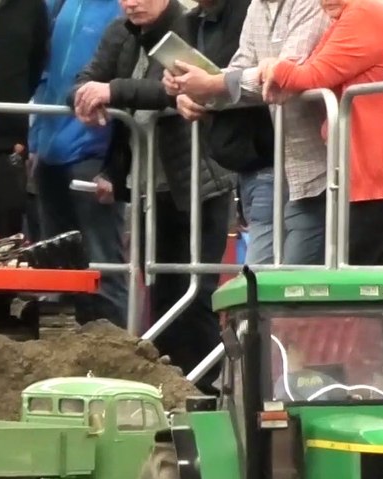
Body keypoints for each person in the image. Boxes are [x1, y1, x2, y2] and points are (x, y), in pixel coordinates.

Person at [72, 0, 234, 390]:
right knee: (160, 295)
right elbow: (84, 83)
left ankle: (209, 390)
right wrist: (87, 99)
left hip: (200, 179)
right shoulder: (119, 32)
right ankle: (169, 390)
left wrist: (111, 91)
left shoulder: (188, 26)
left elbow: (177, 89)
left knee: (196, 296)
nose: (133, 2)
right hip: (147, 185)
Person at [259, 0, 383, 265]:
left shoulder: (361, 16)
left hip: (379, 169)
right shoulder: (353, 16)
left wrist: (272, 67)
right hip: (375, 170)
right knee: (372, 265)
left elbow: (311, 75)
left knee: (361, 269)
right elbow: (311, 67)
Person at [162, 0, 330, 265]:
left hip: (317, 166)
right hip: (281, 164)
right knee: (274, 281)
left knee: (288, 281)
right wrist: (191, 88)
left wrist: (209, 85)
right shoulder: (256, 8)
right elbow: (239, 70)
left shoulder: (311, 4)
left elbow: (283, 77)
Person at [29, 0, 128, 327]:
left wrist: (116, 165)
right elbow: (48, 74)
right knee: (55, 273)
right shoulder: (63, 5)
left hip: (93, 155)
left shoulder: (124, 9)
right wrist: (36, 140)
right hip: (50, 154)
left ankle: (115, 360)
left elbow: (127, 77)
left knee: (103, 269)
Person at [163, 0, 275, 267]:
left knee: (263, 275)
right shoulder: (191, 21)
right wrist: (178, 91)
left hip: (269, 153)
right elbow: (220, 79)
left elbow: (260, 78)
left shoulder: (249, 10)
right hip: (237, 159)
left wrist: (206, 90)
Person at [0, 0, 48, 238]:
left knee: (2, 238)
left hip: (5, 142)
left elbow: (37, 63)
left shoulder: (31, 6)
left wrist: (8, 101)